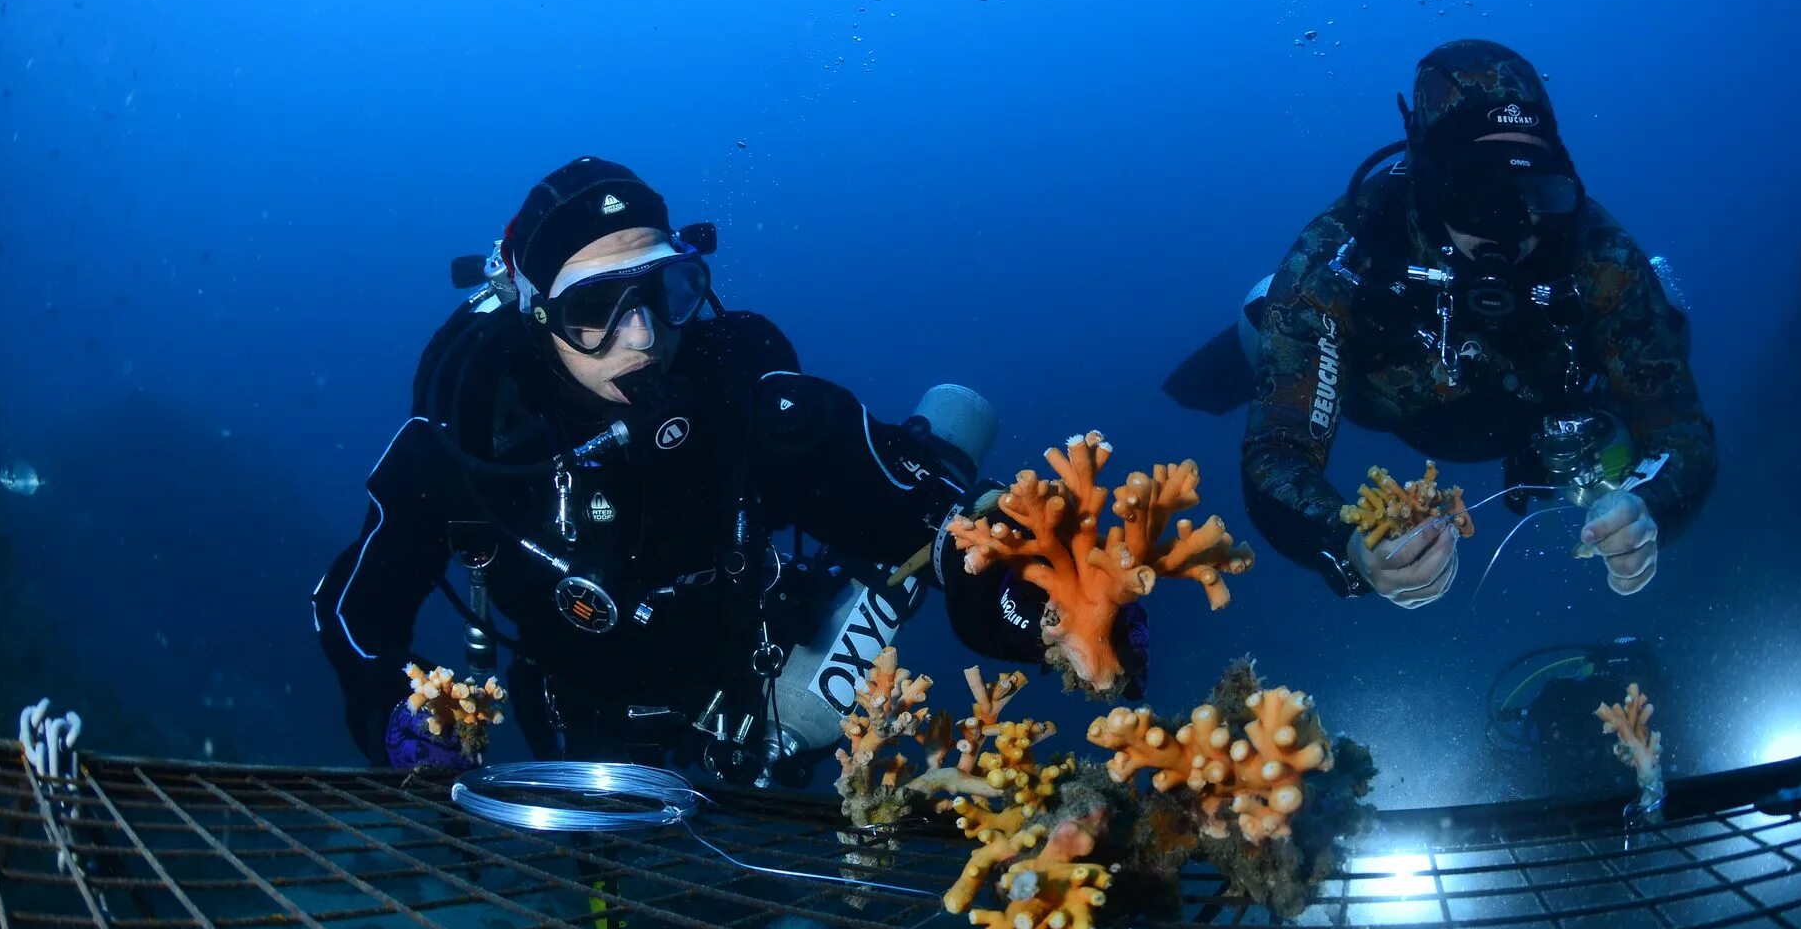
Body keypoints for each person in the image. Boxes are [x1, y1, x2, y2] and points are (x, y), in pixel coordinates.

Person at [314, 157, 1120, 780]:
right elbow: (355, 604)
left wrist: (1046, 602)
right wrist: (391, 712)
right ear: (535, 316)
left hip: (755, 675)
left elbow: (927, 516)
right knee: (612, 886)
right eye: (594, 309)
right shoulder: (465, 441)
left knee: (833, 672)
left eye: (664, 289)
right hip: (578, 706)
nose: (641, 336)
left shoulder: (741, 395)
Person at [1168, 40, 1716, 605]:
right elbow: (1277, 454)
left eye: (1536, 193)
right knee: (1266, 320)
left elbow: (1681, 429)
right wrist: (1349, 545)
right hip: (1375, 396)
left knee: (1669, 324)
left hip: (1537, 410)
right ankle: (1262, 335)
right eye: (1481, 198)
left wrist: (1652, 505)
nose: (1512, 229)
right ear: (1432, 185)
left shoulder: (1599, 253)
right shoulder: (1339, 259)